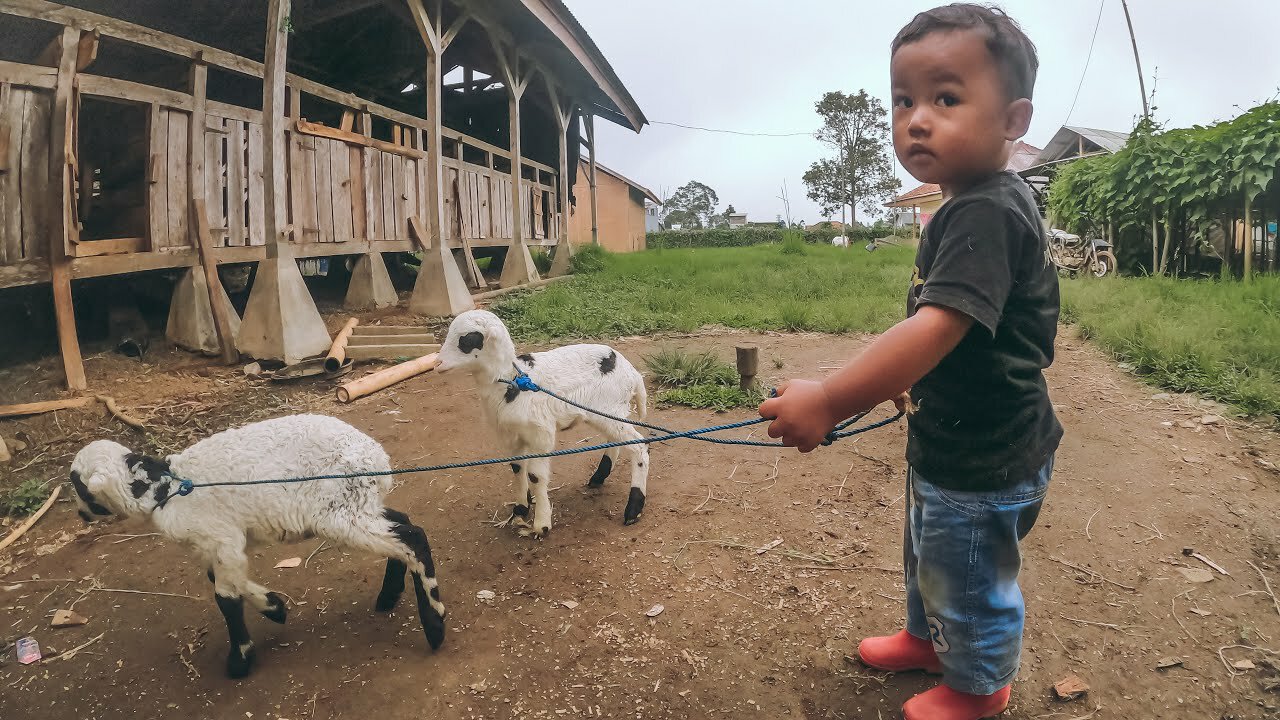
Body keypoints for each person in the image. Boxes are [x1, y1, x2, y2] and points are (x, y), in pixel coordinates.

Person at [758, 5, 1061, 719]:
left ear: (1013, 120)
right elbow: (953, 337)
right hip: (952, 437)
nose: (916, 119)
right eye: (904, 101)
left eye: (945, 99)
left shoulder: (987, 211)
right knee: (930, 553)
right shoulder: (965, 204)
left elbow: (935, 326)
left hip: (985, 454)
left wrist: (833, 399)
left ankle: (979, 685)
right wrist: (911, 385)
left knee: (967, 568)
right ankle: (929, 640)